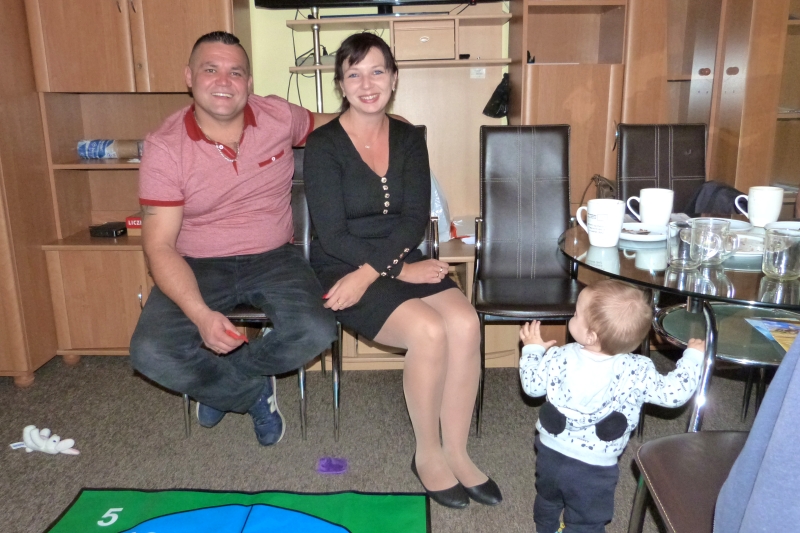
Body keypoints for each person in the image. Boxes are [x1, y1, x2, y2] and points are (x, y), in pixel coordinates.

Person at [302, 32, 501, 509]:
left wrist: (391, 269)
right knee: (429, 331)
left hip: (395, 258)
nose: (367, 84)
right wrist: (389, 272)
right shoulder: (323, 145)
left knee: (465, 323)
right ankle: (427, 453)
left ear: (394, 78)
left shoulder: (410, 138)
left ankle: (457, 451)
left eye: (377, 71)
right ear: (341, 85)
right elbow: (332, 235)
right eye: (354, 74)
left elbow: (414, 219)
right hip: (343, 266)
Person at [129, 31, 337, 447]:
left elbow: (332, 124)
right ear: (189, 77)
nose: (224, 81)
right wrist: (201, 315)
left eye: (236, 72)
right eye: (211, 69)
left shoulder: (278, 115)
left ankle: (227, 378)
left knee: (317, 331)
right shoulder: (165, 148)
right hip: (196, 263)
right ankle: (251, 393)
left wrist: (384, 119)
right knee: (151, 351)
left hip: (274, 257)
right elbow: (159, 246)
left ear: (249, 82)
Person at [519, 279, 704, 533]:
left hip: (550, 452)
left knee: (548, 499)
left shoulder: (559, 356)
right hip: (595, 467)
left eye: (576, 314)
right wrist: (692, 358)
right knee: (587, 519)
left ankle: (546, 528)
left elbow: (532, 386)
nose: (572, 316)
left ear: (591, 335)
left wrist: (532, 350)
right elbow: (675, 394)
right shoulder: (637, 370)